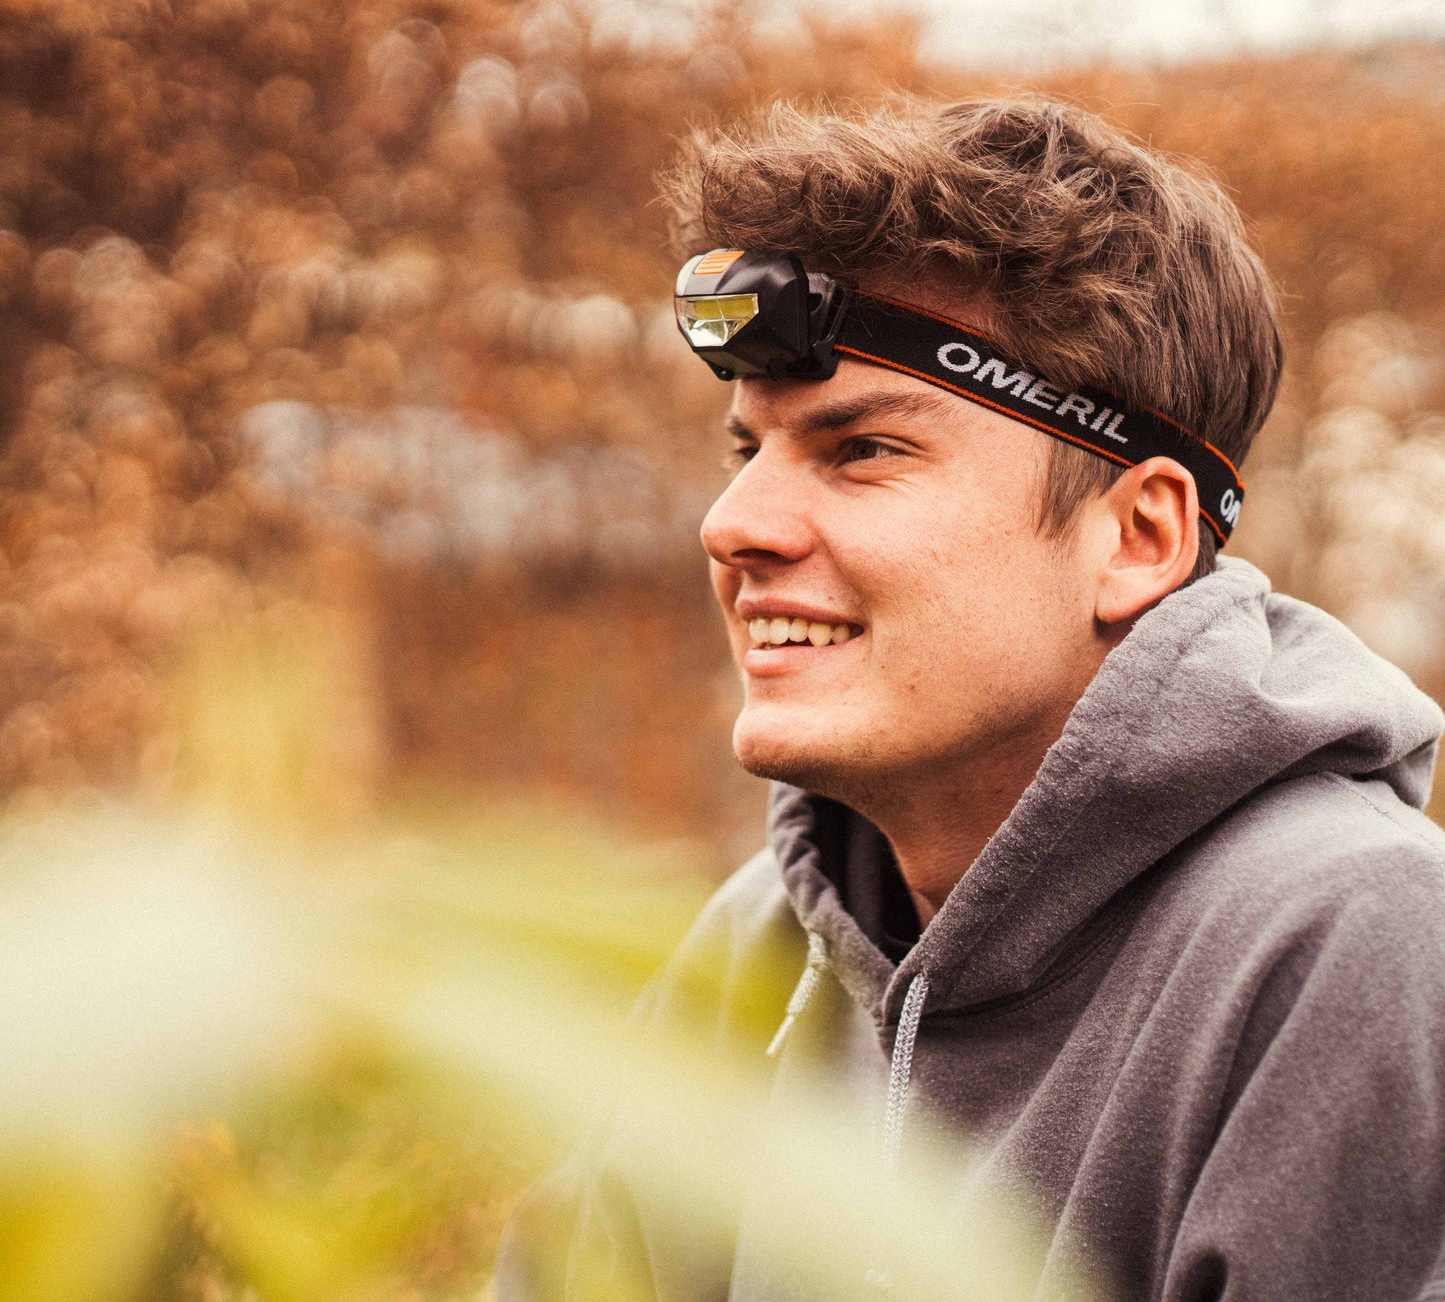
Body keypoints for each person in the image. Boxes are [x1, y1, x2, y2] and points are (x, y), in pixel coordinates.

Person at [498, 98, 1445, 1301]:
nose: (730, 525)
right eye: (747, 452)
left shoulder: (1349, 943)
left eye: (863, 450)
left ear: (1137, 536)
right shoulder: (759, 939)